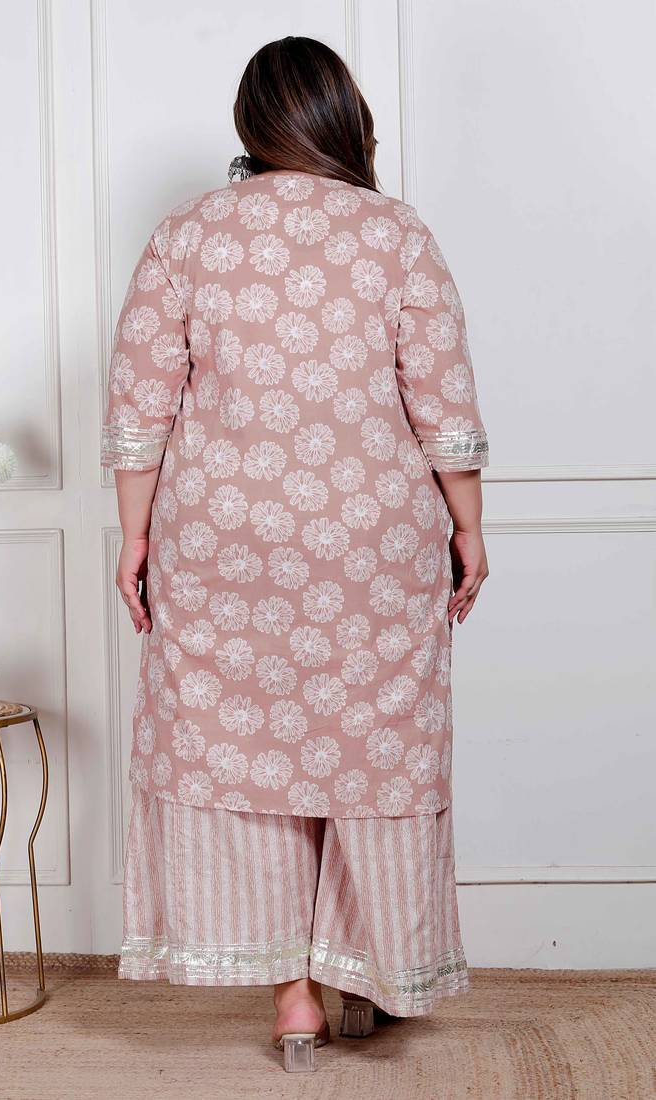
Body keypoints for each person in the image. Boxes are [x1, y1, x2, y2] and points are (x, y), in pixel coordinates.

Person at [101, 35, 489, 1073]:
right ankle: (368, 971)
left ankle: (294, 999)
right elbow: (443, 403)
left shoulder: (189, 233)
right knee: (372, 747)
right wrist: (469, 525)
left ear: (251, 123)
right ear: (344, 118)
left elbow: (140, 408)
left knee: (246, 749)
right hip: (370, 541)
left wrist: (136, 535)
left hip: (225, 540)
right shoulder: (395, 234)